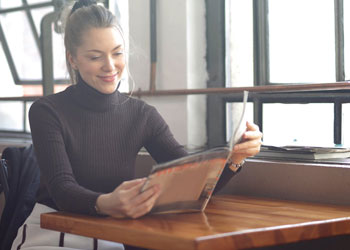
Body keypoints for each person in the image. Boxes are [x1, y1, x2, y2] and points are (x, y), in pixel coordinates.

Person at [11, 1, 262, 249]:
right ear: (73, 60)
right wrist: (106, 202)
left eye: (117, 53)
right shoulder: (47, 111)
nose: (110, 66)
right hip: (51, 233)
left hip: (113, 234)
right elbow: (62, 190)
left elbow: (192, 183)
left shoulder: (142, 115)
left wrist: (234, 159)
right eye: (95, 57)